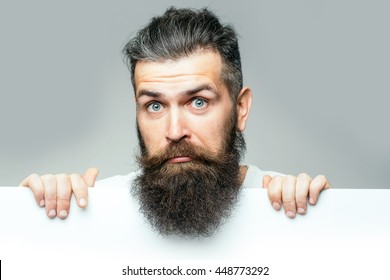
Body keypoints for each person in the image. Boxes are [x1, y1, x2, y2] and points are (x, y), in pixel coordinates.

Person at [20, 7, 331, 236]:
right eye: (154, 105)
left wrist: (321, 219)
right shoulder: (94, 207)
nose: (174, 131)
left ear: (241, 108)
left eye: (198, 102)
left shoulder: (284, 201)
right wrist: (28, 213)